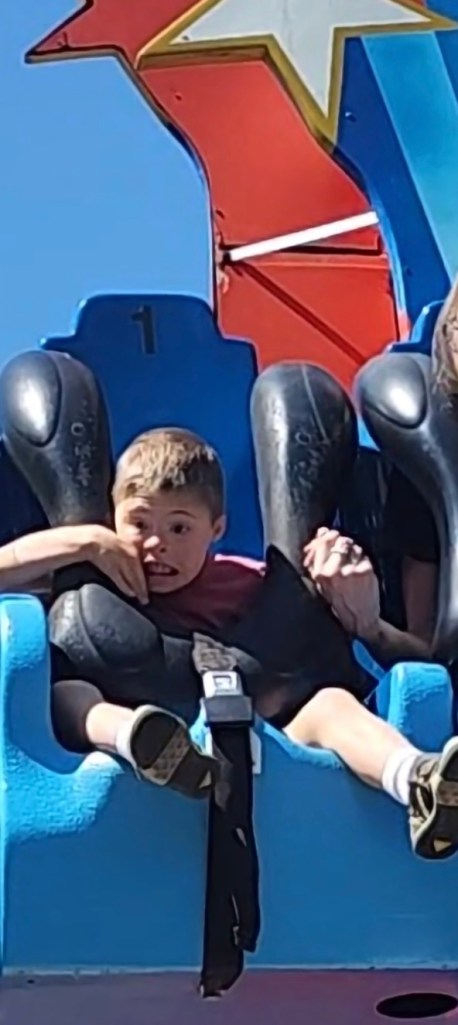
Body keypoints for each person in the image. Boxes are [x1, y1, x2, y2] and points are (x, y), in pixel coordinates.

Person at [1, 425, 458, 860]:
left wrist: (340, 584)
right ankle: (141, 739)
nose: (157, 544)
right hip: (143, 719)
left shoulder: (250, 581)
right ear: (113, 519)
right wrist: (82, 542)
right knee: (68, 694)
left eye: (179, 528)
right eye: (139, 523)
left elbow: (321, 636)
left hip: (263, 735)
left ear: (216, 529)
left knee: (332, 705)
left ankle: (415, 777)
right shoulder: (101, 582)